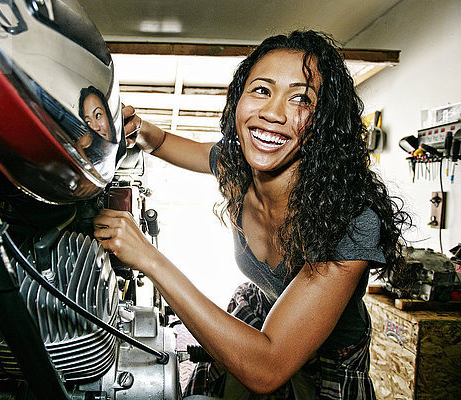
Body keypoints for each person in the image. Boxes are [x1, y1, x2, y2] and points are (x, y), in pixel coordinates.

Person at [93, 30, 409, 399]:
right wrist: (135, 130)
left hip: (328, 363)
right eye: (261, 90)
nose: (272, 113)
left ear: (324, 121)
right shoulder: (234, 166)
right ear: (238, 100)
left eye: (300, 99)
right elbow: (160, 141)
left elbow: (267, 367)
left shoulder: (352, 221)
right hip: (261, 314)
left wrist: (148, 256)